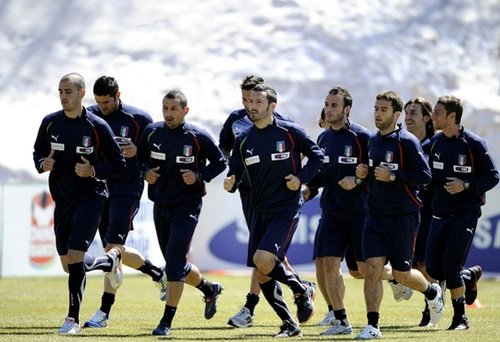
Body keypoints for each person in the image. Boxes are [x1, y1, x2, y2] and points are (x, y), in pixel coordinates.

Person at [224, 83, 323, 338]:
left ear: (272, 106)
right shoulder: (243, 139)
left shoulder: (290, 132)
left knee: (263, 261)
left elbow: (317, 157)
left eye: (258, 102)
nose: (252, 106)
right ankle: (290, 323)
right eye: (250, 102)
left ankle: (300, 287)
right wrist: (230, 182)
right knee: (262, 270)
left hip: (285, 207)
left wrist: (301, 179)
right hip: (258, 209)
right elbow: (234, 172)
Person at [33, 72, 126, 335]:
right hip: (62, 199)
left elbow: (118, 163)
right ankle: (108, 262)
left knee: (75, 257)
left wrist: (93, 171)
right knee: (68, 264)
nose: (63, 96)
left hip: (91, 197)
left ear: (81, 93)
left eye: (68, 91)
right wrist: (43, 164)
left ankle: (72, 320)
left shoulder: (97, 126)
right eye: (60, 92)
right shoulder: (50, 123)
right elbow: (38, 152)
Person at [137, 89, 227, 337]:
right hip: (160, 204)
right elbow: (138, 160)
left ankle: (166, 322)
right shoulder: (152, 132)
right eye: (165, 108)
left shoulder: (197, 137)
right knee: (176, 263)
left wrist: (199, 175)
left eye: (173, 109)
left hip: (187, 205)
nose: (168, 113)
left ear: (185, 110)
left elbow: (220, 162)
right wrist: (145, 172)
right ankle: (209, 289)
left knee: (174, 263)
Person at [306, 106, 405, 330]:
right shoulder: (323, 138)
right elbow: (323, 175)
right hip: (331, 212)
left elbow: (375, 174)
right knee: (327, 262)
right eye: (326, 104)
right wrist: (308, 189)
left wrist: (357, 181)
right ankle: (340, 319)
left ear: (347, 108)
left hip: (360, 214)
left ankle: (397, 276)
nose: (328, 109)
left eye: (333, 105)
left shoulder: (363, 137)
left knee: (361, 270)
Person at [355, 91, 444, 339]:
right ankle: (373, 325)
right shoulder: (372, 141)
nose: (377, 113)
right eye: (376, 108)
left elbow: (425, 177)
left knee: (401, 274)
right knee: (372, 269)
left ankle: (431, 291)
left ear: (395, 115)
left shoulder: (407, 142)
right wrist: (364, 174)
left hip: (403, 216)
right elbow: (372, 176)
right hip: (374, 216)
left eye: (383, 109)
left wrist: (394, 176)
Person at [82, 75, 167, 328]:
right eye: (98, 101)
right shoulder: (89, 116)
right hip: (98, 188)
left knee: (113, 250)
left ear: (118, 95)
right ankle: (157, 273)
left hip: (127, 188)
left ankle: (103, 313)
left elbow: (156, 153)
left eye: (106, 101)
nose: (102, 106)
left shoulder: (139, 119)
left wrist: (137, 152)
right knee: (114, 251)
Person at [426, 95, 499, 330]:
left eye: (438, 112)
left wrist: (465, 185)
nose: (433, 116)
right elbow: (426, 174)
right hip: (439, 213)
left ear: (452, 116)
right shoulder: (435, 143)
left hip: (465, 213)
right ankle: (469, 277)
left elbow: (493, 176)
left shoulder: (474, 144)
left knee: (450, 267)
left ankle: (461, 319)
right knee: (434, 269)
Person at [403, 96, 439, 326]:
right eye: (406, 112)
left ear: (427, 117)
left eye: (413, 112)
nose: (407, 117)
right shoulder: (403, 143)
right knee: (406, 264)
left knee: (424, 265)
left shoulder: (435, 145)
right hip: (404, 212)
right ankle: (466, 277)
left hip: (429, 212)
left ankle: (431, 308)